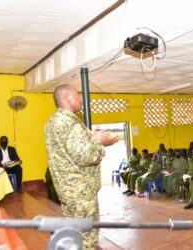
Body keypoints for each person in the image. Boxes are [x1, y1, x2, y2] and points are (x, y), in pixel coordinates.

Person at [44, 84, 119, 249]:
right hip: (80, 192)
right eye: (78, 96)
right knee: (88, 237)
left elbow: (70, 148)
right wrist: (101, 142)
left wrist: (91, 136)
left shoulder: (53, 121)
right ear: (67, 99)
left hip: (67, 189)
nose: (81, 100)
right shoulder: (71, 123)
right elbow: (86, 156)